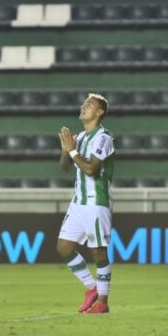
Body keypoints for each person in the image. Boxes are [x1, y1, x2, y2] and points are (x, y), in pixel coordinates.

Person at [57, 93, 114, 314]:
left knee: (98, 252)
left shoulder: (104, 137)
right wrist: (66, 150)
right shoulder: (79, 137)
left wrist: (72, 151)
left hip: (96, 202)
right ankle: (91, 288)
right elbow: (65, 167)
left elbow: (92, 169)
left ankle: (103, 301)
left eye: (89, 105)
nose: (83, 106)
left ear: (99, 113)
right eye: (83, 103)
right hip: (78, 202)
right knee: (63, 248)